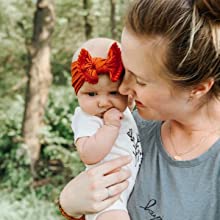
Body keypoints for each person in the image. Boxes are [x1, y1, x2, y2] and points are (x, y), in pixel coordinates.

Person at [59, 0, 220, 219]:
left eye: (141, 81)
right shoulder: (133, 124)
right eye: (125, 71)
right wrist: (69, 206)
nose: (123, 88)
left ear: (198, 88)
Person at [66, 38, 142, 220]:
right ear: (77, 93)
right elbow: (88, 154)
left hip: (126, 187)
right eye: (91, 94)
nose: (102, 102)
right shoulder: (87, 118)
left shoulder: (121, 110)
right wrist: (110, 126)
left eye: (113, 93)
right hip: (106, 194)